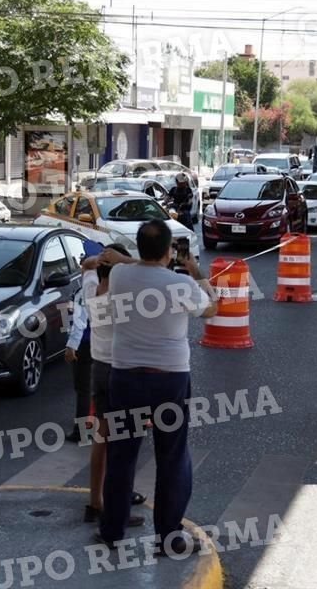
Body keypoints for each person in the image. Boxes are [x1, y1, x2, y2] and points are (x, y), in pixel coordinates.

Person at [97, 220, 218, 554]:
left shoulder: (121, 276)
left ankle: (112, 531)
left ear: (139, 248)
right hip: (169, 378)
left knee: (121, 456)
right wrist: (195, 271)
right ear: (169, 251)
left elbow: (136, 264)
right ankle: (168, 537)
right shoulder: (180, 283)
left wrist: (130, 260)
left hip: (124, 377)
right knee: (172, 457)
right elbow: (212, 308)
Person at [77, 244, 148, 525]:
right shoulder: (123, 297)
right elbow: (151, 269)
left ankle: (95, 502)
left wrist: (104, 259)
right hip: (122, 371)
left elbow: (86, 265)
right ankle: (118, 507)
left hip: (99, 367)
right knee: (123, 446)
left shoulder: (90, 287)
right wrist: (125, 260)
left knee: (102, 439)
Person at [65, 283, 93, 444]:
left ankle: (80, 431)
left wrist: (72, 345)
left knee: (83, 388)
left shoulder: (86, 291)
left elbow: (79, 320)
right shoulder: (114, 286)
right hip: (103, 343)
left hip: (85, 343)